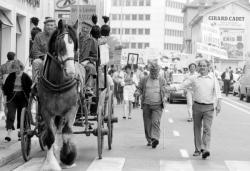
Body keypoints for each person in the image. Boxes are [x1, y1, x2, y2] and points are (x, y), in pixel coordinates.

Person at [166, 59, 222, 159]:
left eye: (204, 66)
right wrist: (169, 88)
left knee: (207, 129)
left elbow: (218, 93)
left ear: (208, 67)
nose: (202, 67)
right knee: (197, 128)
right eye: (200, 65)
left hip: (209, 107)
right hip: (196, 106)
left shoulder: (213, 78)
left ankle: (205, 149)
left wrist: (219, 104)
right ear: (198, 67)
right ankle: (197, 149)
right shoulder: (194, 78)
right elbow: (181, 85)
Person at [134, 62, 167, 148]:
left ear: (159, 71)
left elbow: (165, 91)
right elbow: (139, 89)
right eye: (152, 72)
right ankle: (149, 139)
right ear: (150, 71)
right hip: (146, 105)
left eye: (156, 72)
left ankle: (155, 138)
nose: (154, 74)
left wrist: (165, 97)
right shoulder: (144, 79)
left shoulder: (162, 80)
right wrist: (137, 93)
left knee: (155, 122)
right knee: (147, 123)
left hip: (158, 105)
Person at [2, 60, 32, 142]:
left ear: (21, 67)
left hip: (23, 98)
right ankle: (8, 134)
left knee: (21, 115)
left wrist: (30, 96)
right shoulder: (11, 76)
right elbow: (5, 88)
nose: (16, 70)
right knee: (10, 115)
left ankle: (21, 133)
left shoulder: (25, 76)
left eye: (17, 68)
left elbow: (31, 87)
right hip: (12, 98)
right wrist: (5, 100)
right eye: (14, 68)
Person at [30, 17, 56, 82]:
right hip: (42, 59)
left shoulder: (58, 36)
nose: (49, 27)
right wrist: (44, 57)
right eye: (48, 25)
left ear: (54, 26)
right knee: (35, 62)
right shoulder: (38, 36)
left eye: (51, 25)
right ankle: (35, 84)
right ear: (44, 26)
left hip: (56, 60)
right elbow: (35, 50)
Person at [0, 52, 17, 118]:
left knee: (6, 102)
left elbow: (0, 78)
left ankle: (7, 117)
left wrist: (2, 86)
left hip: (5, 88)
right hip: (14, 87)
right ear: (14, 57)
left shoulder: (2, 66)